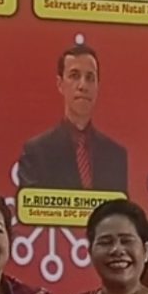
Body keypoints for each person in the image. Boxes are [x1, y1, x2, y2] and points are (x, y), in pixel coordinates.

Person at [17, 44, 128, 193]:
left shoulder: (115, 155)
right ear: (60, 84)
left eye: (90, 78)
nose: (83, 86)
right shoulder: (37, 152)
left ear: (97, 86)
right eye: (74, 76)